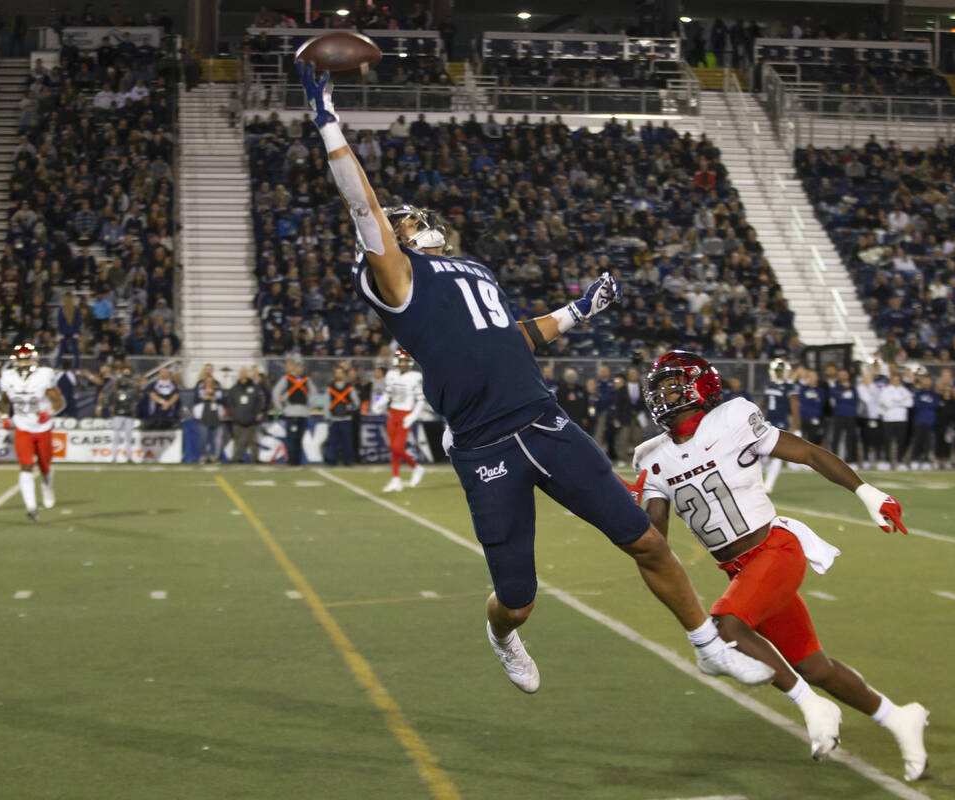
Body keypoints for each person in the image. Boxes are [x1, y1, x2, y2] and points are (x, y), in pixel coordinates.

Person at [298, 60, 773, 692]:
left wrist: (578, 310)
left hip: (543, 421)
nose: (398, 222)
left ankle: (707, 645)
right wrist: (327, 120)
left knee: (646, 542)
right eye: (393, 221)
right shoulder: (397, 279)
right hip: (483, 445)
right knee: (517, 596)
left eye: (404, 218)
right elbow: (360, 204)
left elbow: (513, 336)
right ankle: (501, 632)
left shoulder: (474, 271)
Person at [629, 351, 928, 780]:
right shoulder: (650, 456)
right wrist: (625, 506)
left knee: (726, 627)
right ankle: (898, 717)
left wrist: (868, 493)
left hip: (774, 549)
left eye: (673, 384)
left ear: (700, 385)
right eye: (657, 388)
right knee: (813, 666)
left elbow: (807, 453)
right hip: (740, 570)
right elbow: (654, 541)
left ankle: (812, 706)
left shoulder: (732, 418)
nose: (662, 395)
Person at [0, 343, 65, 522]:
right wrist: (4, 415)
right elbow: (5, 400)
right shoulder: (8, 376)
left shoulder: (44, 375)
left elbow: (59, 401)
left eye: (26, 358)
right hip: (23, 426)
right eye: (20, 359)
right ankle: (31, 507)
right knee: (25, 465)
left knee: (44, 466)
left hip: (42, 427)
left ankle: (47, 486)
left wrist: (49, 412)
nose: (23, 363)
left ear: (34, 359)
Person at [382, 349, 424, 491]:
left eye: (405, 361)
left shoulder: (415, 376)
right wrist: (379, 403)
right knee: (393, 449)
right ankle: (395, 479)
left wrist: (413, 415)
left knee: (397, 448)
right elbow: (387, 394)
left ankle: (416, 467)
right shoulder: (391, 375)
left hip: (406, 413)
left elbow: (420, 400)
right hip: (393, 412)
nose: (403, 363)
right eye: (401, 361)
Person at [762, 358, 796, 492]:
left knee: (777, 454)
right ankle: (760, 483)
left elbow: (794, 407)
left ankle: (768, 485)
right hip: (767, 421)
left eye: (781, 371)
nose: (779, 373)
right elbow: (763, 403)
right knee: (762, 453)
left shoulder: (789, 386)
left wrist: (796, 425)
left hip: (781, 422)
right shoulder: (768, 384)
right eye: (777, 370)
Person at [97, 361, 140, 463]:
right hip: (117, 414)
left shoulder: (132, 389)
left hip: (128, 414)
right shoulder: (115, 388)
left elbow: (137, 399)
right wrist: (108, 408)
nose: (125, 380)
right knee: (116, 437)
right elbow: (108, 400)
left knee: (128, 437)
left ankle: (129, 457)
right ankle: (114, 457)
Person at [272, 359, 312, 465]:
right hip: (291, 413)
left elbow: (314, 393)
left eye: (302, 367)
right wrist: (280, 408)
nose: (300, 369)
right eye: (298, 366)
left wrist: (309, 407)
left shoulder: (306, 379)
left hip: (303, 413)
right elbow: (276, 392)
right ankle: (291, 461)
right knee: (292, 438)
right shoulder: (286, 379)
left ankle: (297, 460)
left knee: (299, 438)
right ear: (295, 367)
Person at [227, 367, 265, 464]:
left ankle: (255, 458)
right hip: (237, 418)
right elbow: (230, 403)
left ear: (247, 374)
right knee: (238, 440)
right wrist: (233, 414)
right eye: (241, 372)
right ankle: (236, 458)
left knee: (253, 440)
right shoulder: (234, 388)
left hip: (251, 418)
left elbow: (259, 401)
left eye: (245, 372)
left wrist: (258, 412)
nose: (243, 374)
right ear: (239, 374)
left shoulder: (254, 387)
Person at [325, 365, 359, 466]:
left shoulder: (349, 387)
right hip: (334, 419)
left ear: (344, 375)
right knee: (333, 442)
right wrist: (327, 417)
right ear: (334, 374)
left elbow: (356, 402)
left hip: (346, 419)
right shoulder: (330, 388)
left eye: (340, 373)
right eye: (337, 373)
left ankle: (347, 461)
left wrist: (350, 407)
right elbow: (326, 403)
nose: (338, 375)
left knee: (347, 442)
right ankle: (332, 461)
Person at [879, 373, 912, 470]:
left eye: (898, 379)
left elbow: (910, 403)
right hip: (888, 419)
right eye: (894, 379)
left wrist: (894, 402)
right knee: (887, 441)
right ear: (891, 380)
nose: (896, 381)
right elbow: (884, 403)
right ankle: (887, 461)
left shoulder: (904, 390)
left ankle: (900, 461)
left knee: (901, 441)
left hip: (901, 419)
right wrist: (900, 402)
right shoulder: (885, 390)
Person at [194, 376, 225, 464]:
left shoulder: (218, 391)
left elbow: (223, 401)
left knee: (215, 440)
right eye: (207, 381)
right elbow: (195, 400)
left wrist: (213, 397)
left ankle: (213, 457)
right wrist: (204, 397)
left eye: (211, 381)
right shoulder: (200, 391)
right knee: (203, 438)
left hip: (216, 418)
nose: (209, 383)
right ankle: (203, 456)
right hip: (204, 418)